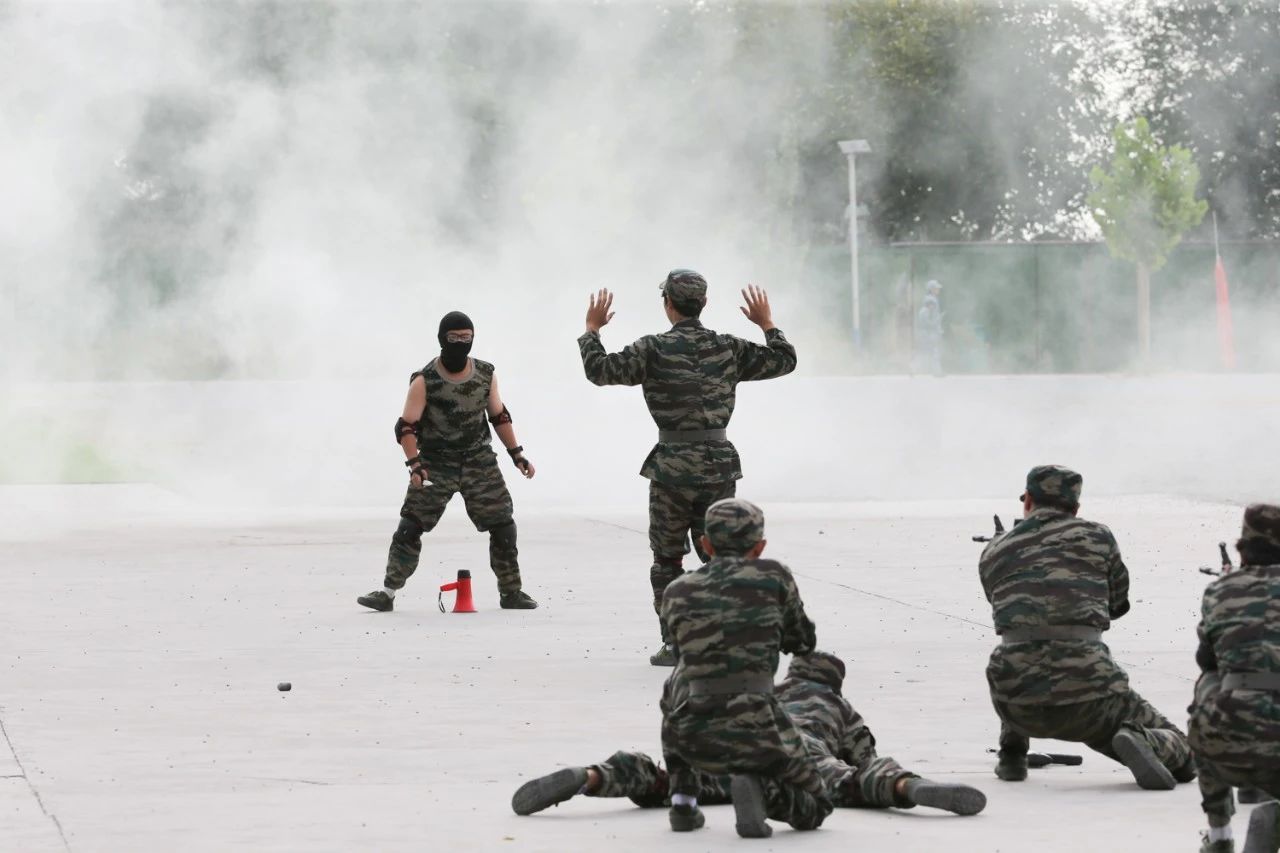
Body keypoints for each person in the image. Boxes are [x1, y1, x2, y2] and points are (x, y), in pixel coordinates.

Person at [577, 271, 797, 665]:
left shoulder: (652, 349)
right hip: (717, 467)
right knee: (723, 558)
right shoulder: (728, 347)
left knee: (667, 560)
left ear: (668, 304)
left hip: (672, 471)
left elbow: (600, 371)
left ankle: (676, 643)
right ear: (704, 303)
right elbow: (784, 360)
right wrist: (767, 323)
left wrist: (592, 330)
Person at [511, 651, 986, 819]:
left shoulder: (771, 691)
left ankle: (594, 776)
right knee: (849, 783)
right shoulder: (838, 706)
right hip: (802, 751)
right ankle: (908, 787)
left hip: (741, 740)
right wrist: (871, 768)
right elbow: (862, 756)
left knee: (666, 781)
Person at [979, 465, 1195, 789]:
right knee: (1185, 752)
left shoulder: (994, 550)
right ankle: (1141, 739)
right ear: (1076, 508)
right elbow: (1117, 604)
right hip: (1090, 700)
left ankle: (1012, 757)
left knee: (1020, 642)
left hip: (1016, 704)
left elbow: (1005, 608)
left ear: (1028, 501)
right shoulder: (1098, 537)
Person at [658, 498, 828, 837]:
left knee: (679, 680)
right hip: (758, 728)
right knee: (816, 805)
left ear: (705, 545)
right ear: (760, 547)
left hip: (692, 734)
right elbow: (803, 642)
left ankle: (683, 801)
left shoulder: (677, 590)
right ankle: (760, 788)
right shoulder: (774, 577)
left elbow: (679, 647)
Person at [356, 311, 538, 612]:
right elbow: (406, 427)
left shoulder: (485, 374)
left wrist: (517, 454)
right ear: (442, 339)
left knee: (504, 526)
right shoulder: (424, 380)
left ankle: (511, 592)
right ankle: (387, 593)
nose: (461, 343)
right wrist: (415, 465)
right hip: (435, 463)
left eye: (467, 338)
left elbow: (499, 416)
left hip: (478, 461)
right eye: (454, 338)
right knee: (410, 526)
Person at [1189, 504, 1280, 853]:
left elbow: (1206, 661)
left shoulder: (1220, 591)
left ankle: (1220, 835)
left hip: (1227, 747)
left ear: (1243, 549)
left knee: (1211, 684)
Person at [915, 279, 943, 375]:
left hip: (929, 331)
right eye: (936, 288)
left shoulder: (930, 299)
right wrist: (936, 324)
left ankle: (916, 369)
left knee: (926, 352)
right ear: (931, 289)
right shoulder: (931, 300)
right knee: (934, 351)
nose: (938, 290)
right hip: (930, 332)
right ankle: (937, 371)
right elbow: (929, 318)